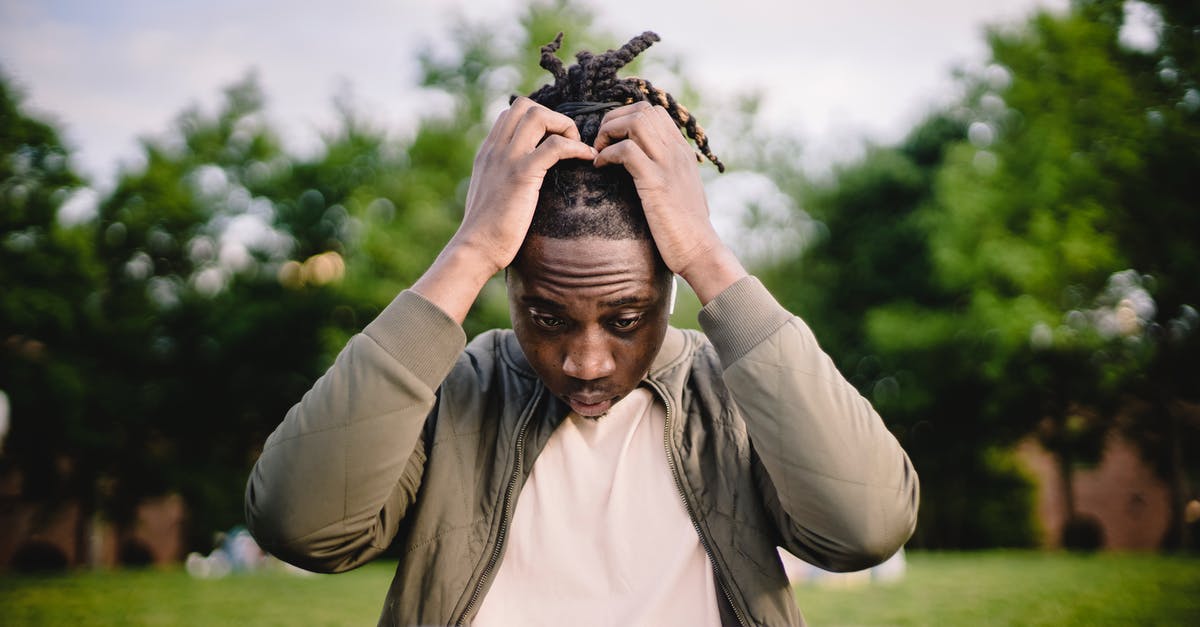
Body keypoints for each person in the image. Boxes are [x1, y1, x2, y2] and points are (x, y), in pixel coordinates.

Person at [245, 31, 918, 626]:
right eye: (548, 316)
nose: (587, 361)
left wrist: (711, 255)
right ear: (508, 282)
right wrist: (468, 250)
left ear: (670, 284)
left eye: (625, 319)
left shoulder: (740, 397)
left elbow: (867, 527)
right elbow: (300, 526)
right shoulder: (450, 392)